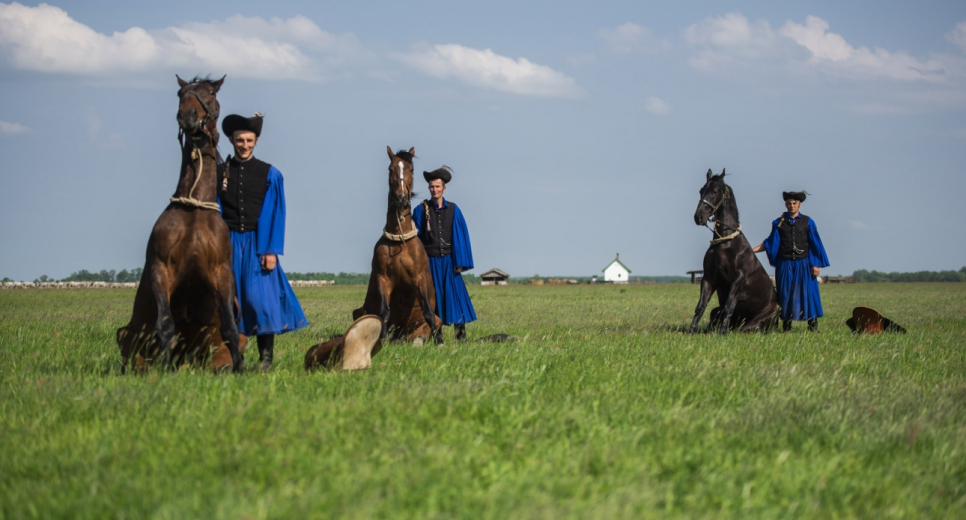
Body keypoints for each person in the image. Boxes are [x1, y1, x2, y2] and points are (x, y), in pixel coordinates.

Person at [218, 113, 308, 369]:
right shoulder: (220, 172)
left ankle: (266, 359)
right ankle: (235, 359)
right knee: (229, 301)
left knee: (260, 301)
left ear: (255, 141)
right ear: (231, 140)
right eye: (239, 140)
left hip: (259, 244)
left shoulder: (270, 173)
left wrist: (270, 250)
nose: (244, 145)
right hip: (228, 245)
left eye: (249, 140)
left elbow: (274, 214)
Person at [412, 166, 477, 340]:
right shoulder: (420, 210)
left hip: (449, 262)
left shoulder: (454, 210)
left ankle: (460, 336)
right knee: (434, 301)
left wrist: (460, 262)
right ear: (429, 188)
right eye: (432, 187)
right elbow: (414, 239)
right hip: (430, 263)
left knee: (456, 299)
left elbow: (460, 236)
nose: (435, 190)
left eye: (438, 187)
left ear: (444, 189)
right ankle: (437, 337)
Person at [752, 191, 830, 332]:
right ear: (785, 205)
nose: (791, 205)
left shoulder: (808, 222)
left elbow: (815, 244)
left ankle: (813, 326)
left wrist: (816, 264)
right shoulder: (778, 223)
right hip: (785, 264)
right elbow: (769, 243)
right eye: (789, 203)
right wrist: (750, 251)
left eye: (794, 203)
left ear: (799, 204)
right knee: (785, 294)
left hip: (804, 264)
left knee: (809, 293)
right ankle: (786, 327)